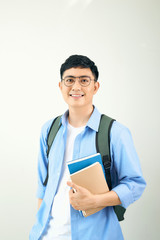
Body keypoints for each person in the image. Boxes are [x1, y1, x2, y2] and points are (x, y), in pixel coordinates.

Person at [29, 55, 146, 240]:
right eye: (69, 80)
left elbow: (135, 184)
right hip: (46, 234)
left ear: (95, 87)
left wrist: (95, 201)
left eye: (84, 80)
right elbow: (42, 187)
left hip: (96, 235)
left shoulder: (115, 132)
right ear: (60, 86)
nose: (76, 87)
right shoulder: (49, 130)